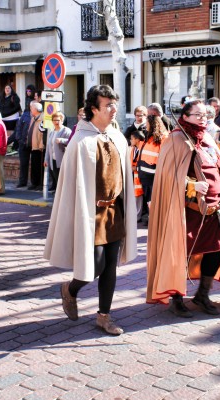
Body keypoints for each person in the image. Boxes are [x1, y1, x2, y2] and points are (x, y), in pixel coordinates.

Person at [146, 99, 220, 317]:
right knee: (180, 254)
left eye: (205, 115)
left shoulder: (207, 138)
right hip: (187, 210)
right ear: (185, 116)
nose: (202, 119)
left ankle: (202, 294)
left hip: (214, 208)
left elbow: (218, 168)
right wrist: (191, 184)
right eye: (197, 115)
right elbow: (167, 177)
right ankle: (177, 298)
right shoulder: (177, 140)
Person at [44, 85, 137, 336]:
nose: (113, 108)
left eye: (114, 103)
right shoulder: (80, 140)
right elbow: (73, 184)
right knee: (94, 266)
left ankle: (104, 316)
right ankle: (70, 290)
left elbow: (123, 176)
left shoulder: (117, 136)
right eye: (107, 105)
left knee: (110, 267)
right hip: (90, 215)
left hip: (114, 212)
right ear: (93, 109)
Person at [137, 114, 169, 224]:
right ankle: (154, 220)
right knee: (150, 200)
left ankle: (155, 222)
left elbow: (164, 156)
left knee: (153, 200)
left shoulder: (163, 138)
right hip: (146, 173)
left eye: (147, 124)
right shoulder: (149, 136)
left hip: (152, 174)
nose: (145, 126)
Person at [11, 85, 38, 188]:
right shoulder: (25, 115)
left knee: (35, 164)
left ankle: (34, 183)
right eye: (30, 106)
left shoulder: (38, 117)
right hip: (23, 142)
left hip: (34, 143)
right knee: (23, 164)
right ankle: (22, 182)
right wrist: (19, 139)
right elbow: (18, 128)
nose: (31, 107)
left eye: (33, 106)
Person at [44, 111, 71, 191]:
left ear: (62, 121)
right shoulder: (52, 132)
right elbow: (48, 147)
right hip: (53, 160)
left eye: (58, 120)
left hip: (62, 159)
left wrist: (62, 140)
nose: (56, 122)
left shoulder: (66, 131)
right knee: (57, 179)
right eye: (54, 120)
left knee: (63, 179)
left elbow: (71, 141)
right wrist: (46, 159)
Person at [27, 101, 46, 191]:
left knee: (39, 166)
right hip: (33, 145)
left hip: (39, 147)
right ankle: (34, 183)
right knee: (34, 165)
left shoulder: (43, 118)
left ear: (36, 109)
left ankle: (40, 184)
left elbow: (44, 133)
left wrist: (42, 144)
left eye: (32, 108)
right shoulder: (33, 118)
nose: (30, 109)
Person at [129, 130, 145, 221]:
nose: (130, 140)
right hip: (135, 176)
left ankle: (137, 216)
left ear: (137, 139)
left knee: (138, 197)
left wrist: (136, 169)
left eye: (131, 139)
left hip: (139, 176)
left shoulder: (142, 149)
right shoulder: (135, 149)